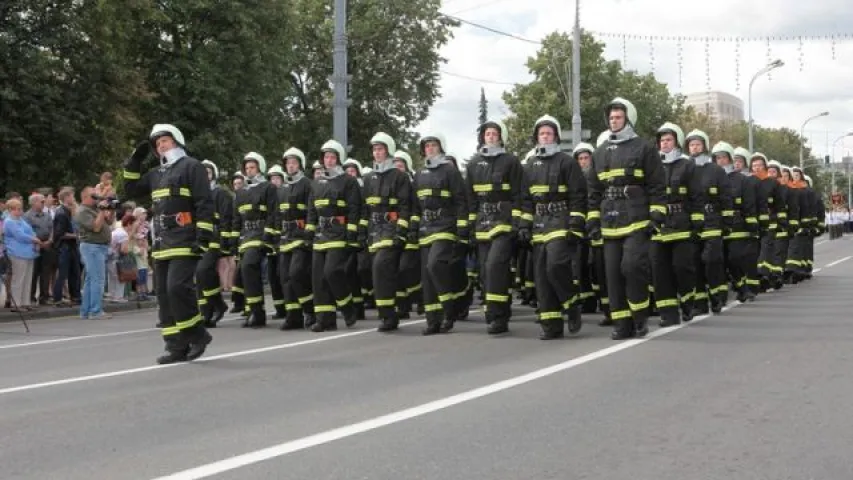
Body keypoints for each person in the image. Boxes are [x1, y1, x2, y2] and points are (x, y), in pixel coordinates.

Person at [123, 123, 214, 364]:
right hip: (162, 241)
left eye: (165, 140)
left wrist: (203, 236)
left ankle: (197, 335)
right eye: (158, 143)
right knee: (163, 295)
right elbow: (130, 189)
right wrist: (134, 162)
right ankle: (175, 346)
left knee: (177, 288)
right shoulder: (156, 174)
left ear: (177, 140)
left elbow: (204, 202)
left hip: (185, 238)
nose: (161, 145)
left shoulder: (191, 166)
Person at [588, 97, 665, 340]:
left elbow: (657, 185)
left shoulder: (643, 148)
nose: (614, 121)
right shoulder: (599, 153)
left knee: (631, 268)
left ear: (628, 118)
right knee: (612, 274)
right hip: (609, 221)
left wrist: (656, 215)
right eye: (611, 118)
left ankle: (639, 317)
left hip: (637, 219)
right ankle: (621, 323)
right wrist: (592, 220)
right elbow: (593, 190)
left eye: (618, 117)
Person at [75, 187, 112, 319]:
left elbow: (109, 222)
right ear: (84, 197)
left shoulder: (94, 209)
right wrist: (102, 210)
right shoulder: (82, 211)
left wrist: (110, 208)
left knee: (91, 280)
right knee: (97, 280)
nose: (96, 198)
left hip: (98, 247)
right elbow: (96, 228)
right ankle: (95, 311)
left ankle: (86, 311)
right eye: (93, 196)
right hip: (92, 247)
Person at [3, 198, 40, 312]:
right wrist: (34, 239)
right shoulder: (9, 222)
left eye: (20, 209)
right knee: (18, 279)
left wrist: (34, 238)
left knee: (28, 278)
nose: (20, 211)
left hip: (28, 253)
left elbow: (30, 231)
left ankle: (25, 302)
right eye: (17, 209)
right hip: (16, 252)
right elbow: (20, 236)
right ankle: (17, 304)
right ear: (10, 210)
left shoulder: (21, 220)